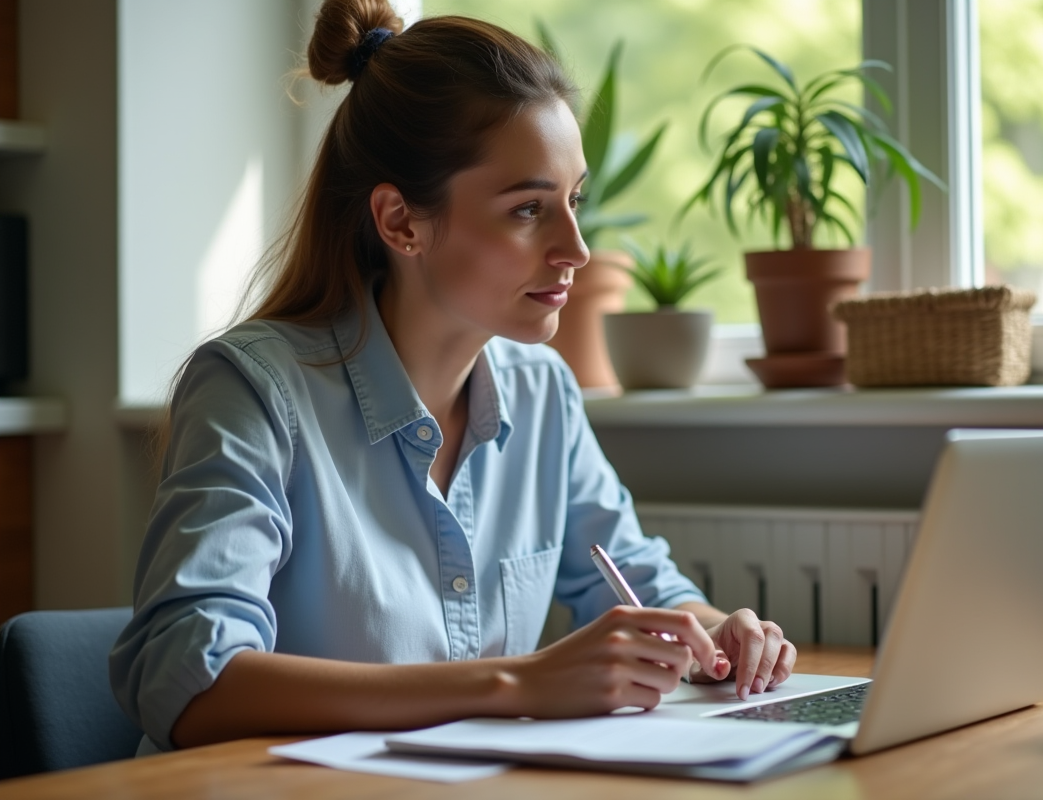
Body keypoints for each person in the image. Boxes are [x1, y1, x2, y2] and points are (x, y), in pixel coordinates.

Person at [110, 0, 797, 755]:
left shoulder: (542, 393)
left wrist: (716, 630)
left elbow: (642, 587)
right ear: (401, 221)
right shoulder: (252, 390)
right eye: (529, 209)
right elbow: (186, 680)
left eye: (575, 201)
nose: (576, 248)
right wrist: (518, 684)